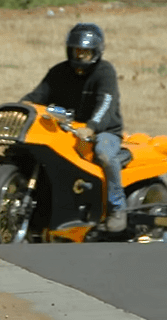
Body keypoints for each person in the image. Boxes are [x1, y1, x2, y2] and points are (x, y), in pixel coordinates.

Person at [23, 22, 128, 232]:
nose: (80, 56)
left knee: (104, 154)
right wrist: (22, 106)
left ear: (96, 51)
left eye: (85, 52)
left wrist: (91, 127)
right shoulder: (59, 72)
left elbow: (105, 104)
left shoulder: (104, 71)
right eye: (76, 50)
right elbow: (37, 97)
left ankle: (117, 207)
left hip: (103, 131)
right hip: (68, 129)